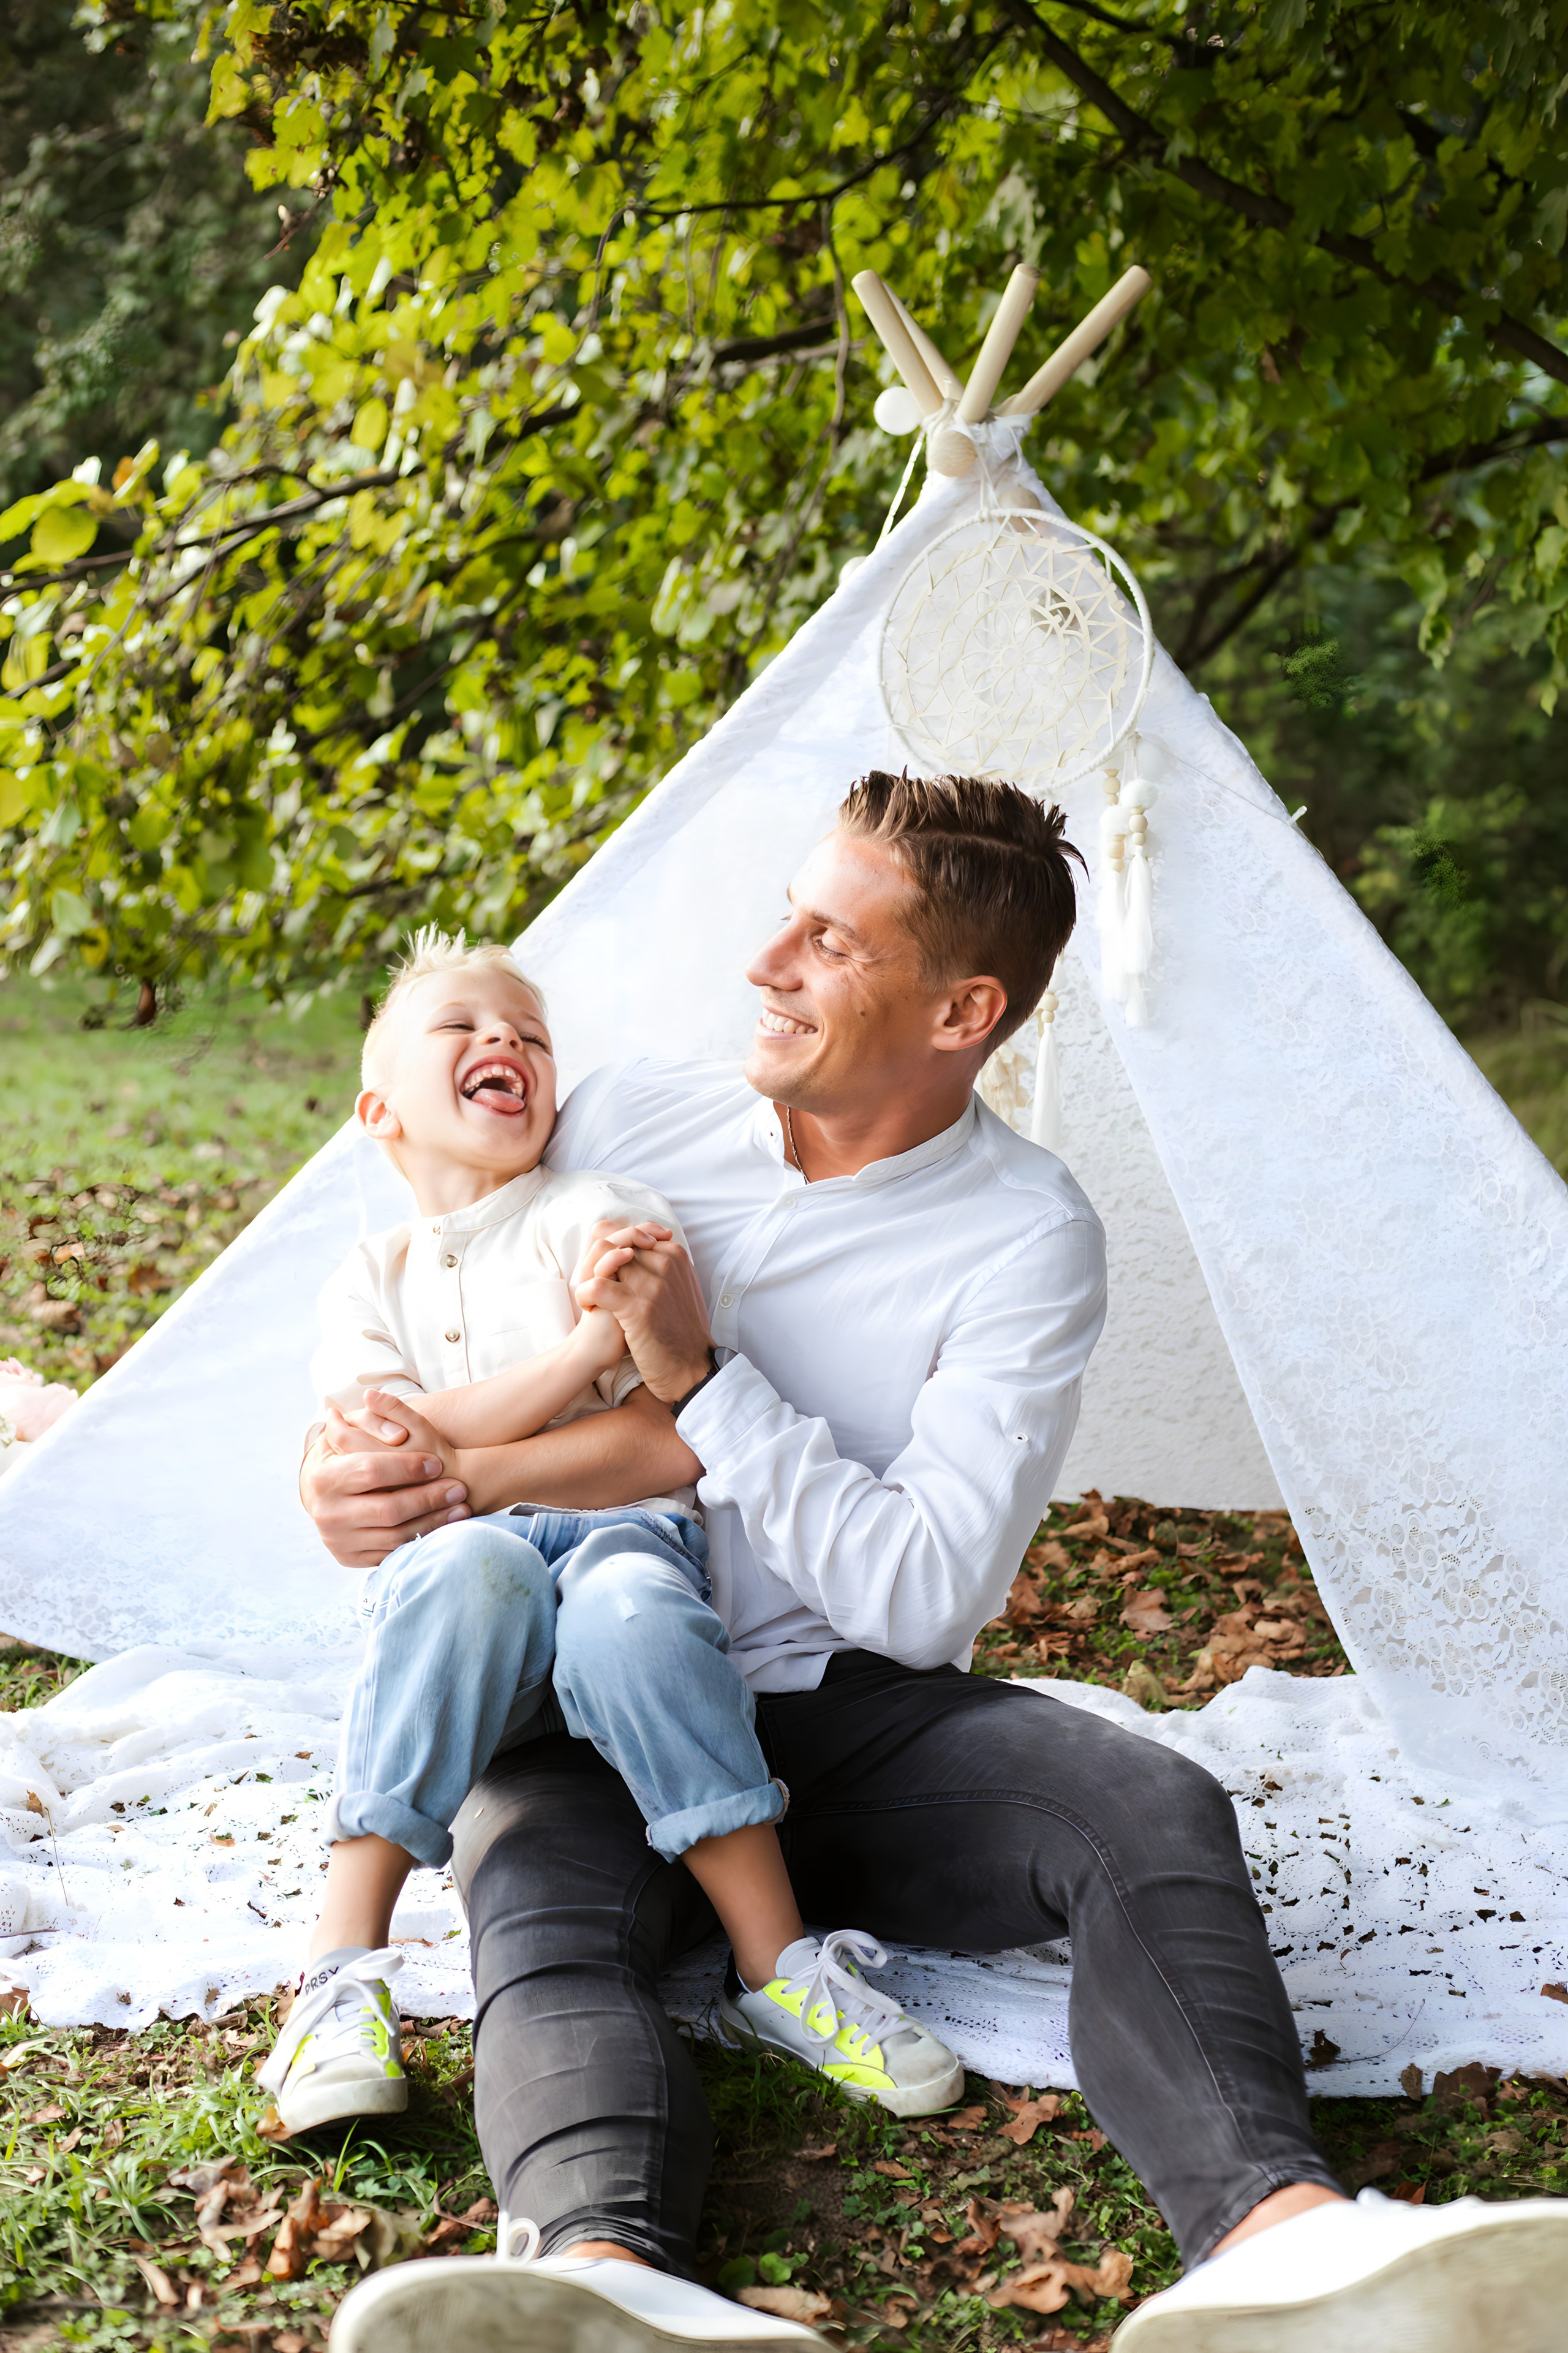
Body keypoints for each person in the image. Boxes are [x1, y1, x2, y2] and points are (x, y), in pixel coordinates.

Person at [311, 776, 1568, 2353]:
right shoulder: (626, 1121)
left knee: (1143, 1804)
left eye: (828, 939)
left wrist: (709, 1381)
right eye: (787, 913)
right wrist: (358, 1477)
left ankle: (1278, 2243)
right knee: (543, 1903)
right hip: (585, 1686)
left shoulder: (1022, 1236)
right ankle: (605, 2276)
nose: (765, 960)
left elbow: (916, 1596)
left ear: (962, 1008)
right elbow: (424, 1280)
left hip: (840, 1719)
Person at [263, 931, 962, 2137]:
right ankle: (339, 1973)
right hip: (466, 1600)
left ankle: (776, 1967)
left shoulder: (599, 1211)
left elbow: (669, 1430)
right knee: (468, 1567)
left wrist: (467, 1439)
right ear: (380, 1110)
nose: (506, 1043)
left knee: (636, 1608)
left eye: (530, 1035)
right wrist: (583, 1354)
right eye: (464, 1027)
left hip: (620, 1542)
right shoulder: (363, 1278)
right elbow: (400, 1428)